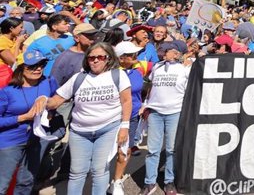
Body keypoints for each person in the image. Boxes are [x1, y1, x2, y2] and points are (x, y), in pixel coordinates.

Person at [31, 42, 132, 195]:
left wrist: (125, 126)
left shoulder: (118, 75)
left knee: (99, 170)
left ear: (108, 59)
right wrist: (44, 99)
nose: (95, 61)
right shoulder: (79, 78)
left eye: (100, 57)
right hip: (80, 132)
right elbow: (57, 100)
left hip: (107, 129)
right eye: (91, 58)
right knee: (76, 172)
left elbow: (126, 101)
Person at [0, 50, 58, 195]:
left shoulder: (48, 81)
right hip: (10, 142)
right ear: (21, 68)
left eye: (41, 64)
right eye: (32, 66)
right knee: (2, 184)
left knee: (26, 181)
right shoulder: (8, 91)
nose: (38, 69)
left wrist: (50, 112)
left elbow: (55, 102)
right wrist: (23, 117)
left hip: (36, 140)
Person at [139, 42, 191, 195]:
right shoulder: (156, 67)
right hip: (155, 112)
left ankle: (169, 181)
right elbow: (151, 87)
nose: (163, 53)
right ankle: (149, 182)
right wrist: (147, 104)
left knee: (171, 149)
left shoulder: (185, 69)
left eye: (167, 51)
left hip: (174, 113)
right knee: (153, 150)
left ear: (176, 53)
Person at [112, 41, 145, 195]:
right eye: (132, 54)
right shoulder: (112, 73)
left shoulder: (137, 71)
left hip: (132, 118)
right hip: (113, 118)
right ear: (122, 58)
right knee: (109, 152)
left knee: (125, 150)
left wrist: (144, 106)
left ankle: (117, 181)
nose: (136, 56)